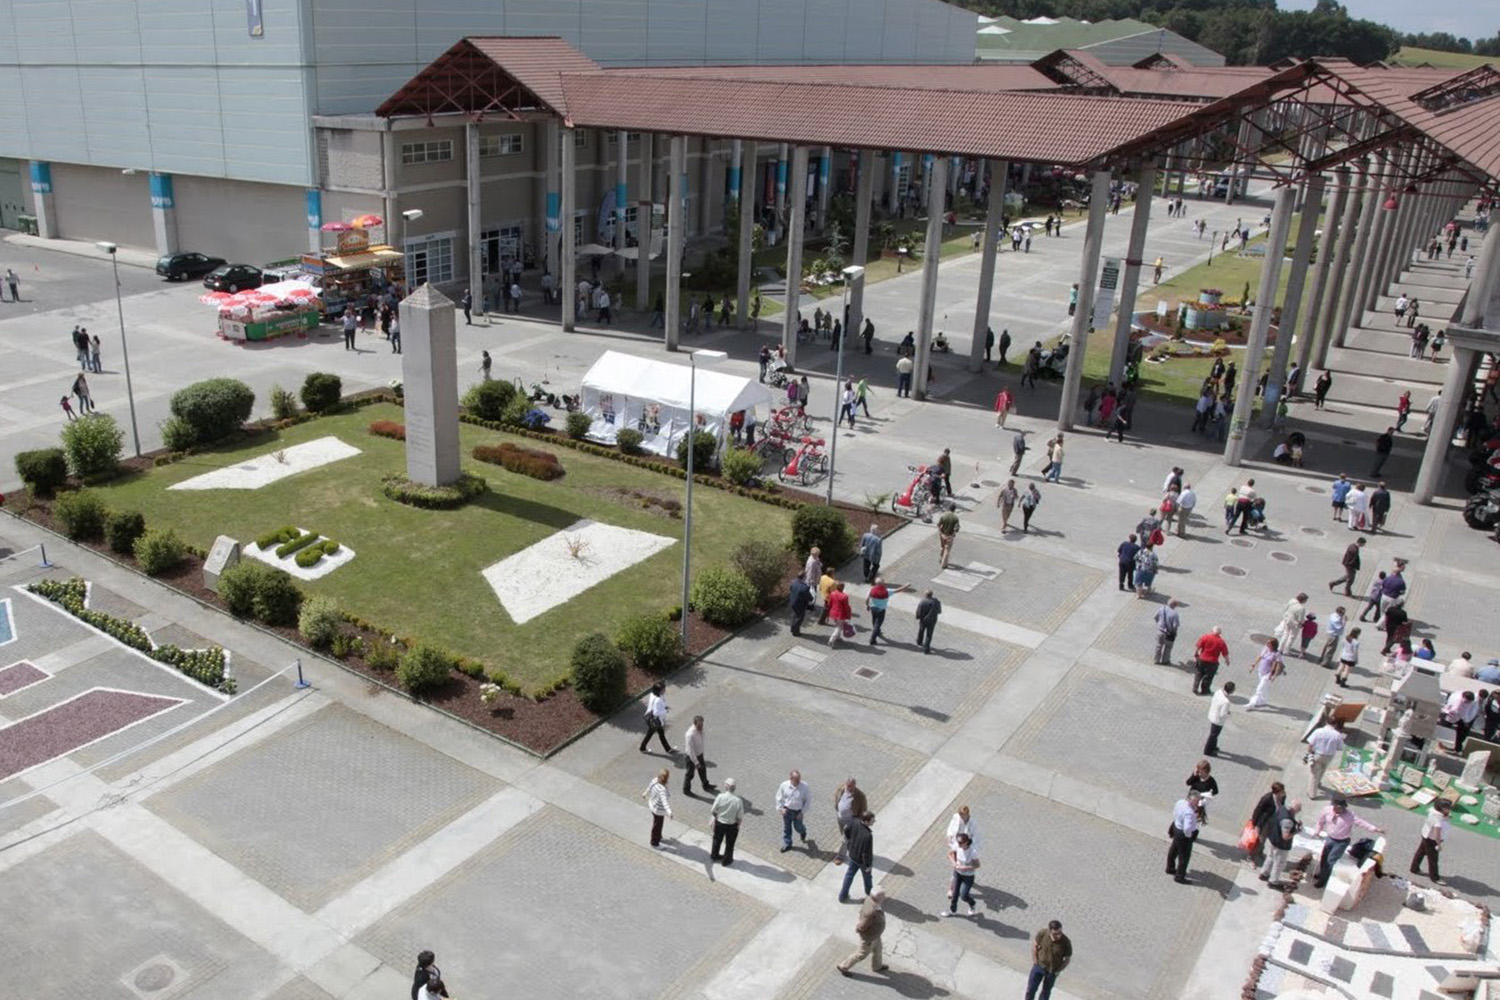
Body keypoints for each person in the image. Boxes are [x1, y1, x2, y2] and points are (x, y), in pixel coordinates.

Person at [1310, 797, 1383, 889]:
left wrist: (1375, 829)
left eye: (1341, 808)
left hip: (1341, 842)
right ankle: (1322, 873)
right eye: (1337, 808)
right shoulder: (1326, 810)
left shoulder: (1349, 815)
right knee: (1324, 857)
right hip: (1330, 838)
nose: (1339, 810)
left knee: (1330, 861)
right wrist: (1317, 831)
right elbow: (1320, 822)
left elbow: (1361, 822)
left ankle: (1323, 880)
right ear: (1333, 806)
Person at [835, 888, 888, 976]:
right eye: (883, 896)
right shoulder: (872, 912)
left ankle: (877, 966)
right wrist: (861, 930)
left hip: (875, 936)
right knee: (861, 954)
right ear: (879, 898)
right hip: (869, 938)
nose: (884, 898)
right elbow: (862, 926)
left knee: (878, 949)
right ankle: (843, 966)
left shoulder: (869, 899)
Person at [1261, 799, 1303, 889]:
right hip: (1281, 845)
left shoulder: (1282, 809)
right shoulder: (1288, 821)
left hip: (1273, 839)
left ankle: (1264, 873)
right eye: (1299, 809)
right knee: (1279, 863)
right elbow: (1286, 836)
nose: (1299, 811)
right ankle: (1273, 881)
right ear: (1295, 809)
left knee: (1270, 857)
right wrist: (1297, 831)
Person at [1026, 921, 1073, 1000]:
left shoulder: (1066, 942)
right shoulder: (1043, 934)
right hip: (1039, 967)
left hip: (1052, 972)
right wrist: (1035, 962)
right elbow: (1034, 946)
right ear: (1050, 931)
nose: (1058, 935)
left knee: (1045, 993)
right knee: (1031, 989)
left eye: (1060, 932)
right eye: (1055, 933)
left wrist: (1058, 971)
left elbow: (1067, 959)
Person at [1410, 800, 1453, 885]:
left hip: (1426, 835)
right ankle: (1435, 878)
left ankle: (1414, 869)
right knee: (1433, 859)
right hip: (1432, 840)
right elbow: (1437, 834)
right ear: (1442, 808)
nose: (1450, 809)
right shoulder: (1438, 820)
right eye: (1448, 808)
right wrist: (1438, 844)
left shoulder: (1433, 812)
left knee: (1420, 852)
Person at [838, 812, 876, 902]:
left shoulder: (855, 822)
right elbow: (867, 853)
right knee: (867, 878)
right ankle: (870, 895)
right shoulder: (867, 835)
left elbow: (846, 831)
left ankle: (842, 896)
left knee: (849, 875)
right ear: (866, 821)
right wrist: (868, 865)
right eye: (872, 820)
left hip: (852, 855)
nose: (874, 822)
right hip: (862, 861)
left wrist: (849, 845)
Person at [1166, 790, 1202, 884]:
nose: (1197, 803)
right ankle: (1179, 876)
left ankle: (1170, 868)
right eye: (1196, 801)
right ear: (1190, 799)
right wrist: (1189, 836)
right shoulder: (1189, 813)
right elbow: (1187, 828)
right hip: (1183, 834)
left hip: (1176, 828)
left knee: (1173, 850)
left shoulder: (1180, 802)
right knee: (1184, 857)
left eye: (1198, 801)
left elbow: (1174, 812)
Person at [1306, 719, 1347, 799]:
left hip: (1318, 754)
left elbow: (1310, 744)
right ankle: (1318, 783)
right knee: (1322, 769)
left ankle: (1312, 794)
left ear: (1326, 722)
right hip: (1329, 756)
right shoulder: (1337, 735)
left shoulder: (1318, 731)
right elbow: (1340, 747)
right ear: (1335, 725)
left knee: (1314, 774)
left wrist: (1309, 754)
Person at [709, 778, 744, 865]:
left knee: (717, 840)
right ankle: (726, 860)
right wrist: (738, 824)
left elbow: (713, 810)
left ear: (726, 787)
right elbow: (740, 816)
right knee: (730, 843)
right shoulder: (738, 801)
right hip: (732, 825)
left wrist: (715, 816)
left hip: (720, 823)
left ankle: (714, 855)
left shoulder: (720, 797)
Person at [945, 832, 980, 917]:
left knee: (963, 895)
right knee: (955, 894)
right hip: (958, 873)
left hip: (968, 876)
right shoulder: (957, 846)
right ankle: (952, 911)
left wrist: (964, 867)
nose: (959, 844)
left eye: (961, 843)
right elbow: (949, 854)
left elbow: (977, 865)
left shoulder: (973, 852)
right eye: (958, 842)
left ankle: (972, 904)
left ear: (966, 842)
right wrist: (954, 863)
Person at [776, 770, 811, 852]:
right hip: (787, 811)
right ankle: (787, 843)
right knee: (787, 828)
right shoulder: (784, 785)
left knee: (798, 827)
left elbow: (808, 801)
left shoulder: (804, 787)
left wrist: (802, 812)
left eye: (799, 779)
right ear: (791, 778)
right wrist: (781, 808)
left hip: (798, 812)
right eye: (796, 779)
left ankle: (803, 831)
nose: (799, 781)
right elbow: (778, 797)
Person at [1245, 638, 1285, 710]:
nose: (1266, 644)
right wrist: (1253, 665)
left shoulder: (1276, 654)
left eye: (1268, 643)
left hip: (1269, 674)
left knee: (1260, 688)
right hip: (1261, 671)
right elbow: (1260, 657)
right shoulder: (1266, 649)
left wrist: (1274, 676)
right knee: (1265, 687)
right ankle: (1264, 700)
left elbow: (1278, 665)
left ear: (1273, 645)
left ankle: (1252, 704)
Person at [681, 715, 715, 796]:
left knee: (703, 770)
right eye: (699, 725)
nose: (701, 727)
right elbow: (690, 750)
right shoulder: (690, 734)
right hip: (691, 757)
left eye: (702, 725)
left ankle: (705, 785)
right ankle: (686, 790)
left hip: (699, 754)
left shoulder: (700, 730)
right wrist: (696, 762)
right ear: (695, 724)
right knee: (690, 774)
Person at [1194, 626, 1230, 695]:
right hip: (1212, 662)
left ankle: (1195, 688)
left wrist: (1196, 654)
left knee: (1198, 674)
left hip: (1202, 659)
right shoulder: (1221, 642)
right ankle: (1204, 691)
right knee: (1208, 677)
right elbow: (1225, 653)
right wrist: (1227, 661)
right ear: (1220, 633)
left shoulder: (1205, 637)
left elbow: (1198, 646)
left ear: (1212, 631)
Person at [639, 681, 673, 754]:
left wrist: (664, 706)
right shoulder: (658, 700)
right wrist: (665, 710)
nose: (664, 690)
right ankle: (642, 747)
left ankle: (668, 749)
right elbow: (656, 712)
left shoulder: (653, 694)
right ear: (659, 691)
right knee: (653, 733)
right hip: (655, 720)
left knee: (657, 733)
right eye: (663, 690)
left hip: (651, 718)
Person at [643, 768, 674, 848]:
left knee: (658, 824)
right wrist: (669, 812)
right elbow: (665, 802)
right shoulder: (662, 790)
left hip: (653, 805)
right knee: (657, 825)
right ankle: (654, 842)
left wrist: (645, 794)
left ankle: (659, 836)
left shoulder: (655, 780)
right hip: (658, 810)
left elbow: (649, 787)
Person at [1443, 689, 1481, 753]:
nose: (1467, 703)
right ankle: (1442, 743)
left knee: (1462, 733)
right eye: (1466, 701)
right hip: (1451, 714)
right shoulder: (1455, 699)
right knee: (1445, 728)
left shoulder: (1473, 702)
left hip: (1464, 717)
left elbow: (1469, 712)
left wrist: (1466, 721)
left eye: (1468, 702)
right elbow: (1447, 707)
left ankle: (1458, 748)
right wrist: (1448, 712)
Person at [1204, 682, 1235, 756]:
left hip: (1213, 713)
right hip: (1218, 720)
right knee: (1213, 735)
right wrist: (1228, 713)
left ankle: (1213, 746)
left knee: (1215, 734)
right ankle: (1208, 750)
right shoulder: (1226, 702)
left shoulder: (1218, 692)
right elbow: (1223, 714)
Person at [1274, 594, 1309, 658]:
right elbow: (1300, 619)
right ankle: (1286, 650)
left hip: (1287, 620)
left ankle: (1280, 648)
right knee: (1292, 637)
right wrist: (1302, 623)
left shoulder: (1292, 601)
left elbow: (1286, 609)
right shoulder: (1301, 608)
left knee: (1285, 634)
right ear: (1303, 600)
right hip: (1295, 624)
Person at [1153, 599, 1181, 665]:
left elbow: (1155, 617)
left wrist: (1160, 625)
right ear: (1174, 605)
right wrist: (1175, 633)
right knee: (1168, 647)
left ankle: (1156, 660)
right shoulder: (1175, 614)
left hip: (1160, 631)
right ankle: (1165, 661)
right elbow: (1175, 626)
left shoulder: (1162, 609)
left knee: (1158, 646)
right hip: (1169, 634)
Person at [826, 582, 853, 647]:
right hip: (840, 614)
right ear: (842, 588)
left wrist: (828, 612)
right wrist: (848, 615)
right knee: (839, 627)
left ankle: (838, 637)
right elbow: (846, 607)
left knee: (837, 625)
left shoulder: (833, 593)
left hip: (833, 613)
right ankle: (831, 640)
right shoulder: (845, 596)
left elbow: (830, 604)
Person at [865, 577, 891, 646]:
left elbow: (867, 598)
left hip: (873, 608)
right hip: (881, 610)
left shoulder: (872, 589)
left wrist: (867, 605)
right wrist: (905, 586)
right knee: (878, 624)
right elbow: (898, 590)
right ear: (882, 584)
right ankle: (872, 639)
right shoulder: (887, 591)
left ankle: (877, 631)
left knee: (874, 620)